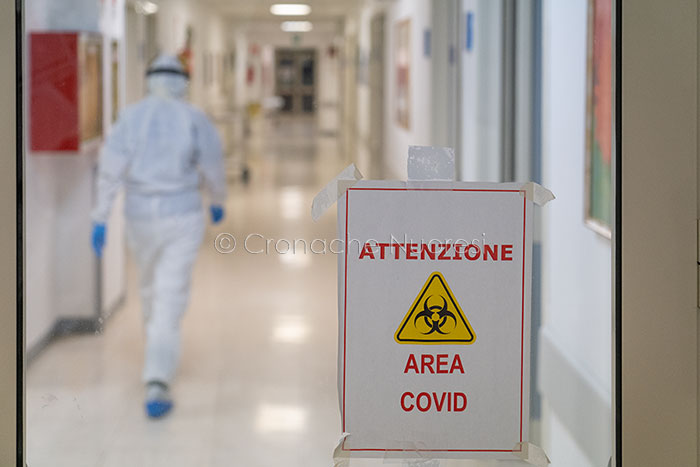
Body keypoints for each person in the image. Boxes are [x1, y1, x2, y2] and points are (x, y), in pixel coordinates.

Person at [90, 54, 227, 419]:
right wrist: (217, 199)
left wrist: (100, 216)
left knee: (155, 290)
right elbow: (213, 163)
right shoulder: (193, 117)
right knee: (164, 293)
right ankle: (158, 367)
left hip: (140, 216)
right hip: (181, 215)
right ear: (183, 81)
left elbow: (110, 169)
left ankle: (157, 373)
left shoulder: (130, 117)